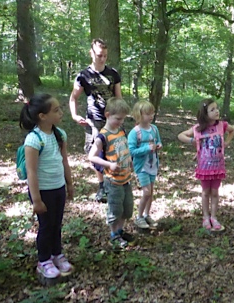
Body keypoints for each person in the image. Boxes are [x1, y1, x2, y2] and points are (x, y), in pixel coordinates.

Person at [19, 93, 74, 279]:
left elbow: (64, 161)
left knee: (56, 224)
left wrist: (70, 183)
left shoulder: (60, 135)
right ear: (42, 116)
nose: (61, 113)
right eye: (56, 110)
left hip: (58, 188)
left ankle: (57, 254)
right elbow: (32, 172)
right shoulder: (34, 140)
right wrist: (36, 200)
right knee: (46, 226)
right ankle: (44, 260)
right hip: (43, 191)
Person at [69, 38, 122, 203]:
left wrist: (121, 115)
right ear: (91, 53)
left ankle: (114, 182)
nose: (102, 58)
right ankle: (102, 186)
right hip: (93, 119)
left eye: (105, 55)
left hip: (111, 118)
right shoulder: (83, 75)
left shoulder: (113, 74)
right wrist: (74, 115)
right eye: (99, 55)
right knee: (94, 152)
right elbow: (74, 97)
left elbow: (118, 97)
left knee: (114, 150)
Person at [178, 99, 234, 231]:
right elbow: (181, 135)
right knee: (205, 192)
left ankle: (214, 217)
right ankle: (205, 217)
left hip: (218, 166)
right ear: (205, 113)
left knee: (215, 192)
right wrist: (192, 140)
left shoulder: (222, 125)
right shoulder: (198, 128)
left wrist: (226, 143)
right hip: (204, 167)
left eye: (217, 108)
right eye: (212, 109)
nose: (216, 111)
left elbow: (232, 131)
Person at [88, 97, 135, 249]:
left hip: (125, 178)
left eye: (123, 119)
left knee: (127, 208)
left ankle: (120, 231)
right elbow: (91, 156)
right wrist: (109, 164)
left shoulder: (121, 130)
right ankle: (114, 234)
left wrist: (130, 161)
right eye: (118, 118)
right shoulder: (102, 136)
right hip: (113, 180)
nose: (121, 122)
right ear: (107, 115)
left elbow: (123, 149)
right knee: (115, 208)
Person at [128, 101, 163, 229]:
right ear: (139, 115)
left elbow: (158, 141)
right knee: (146, 192)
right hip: (141, 166)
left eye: (152, 113)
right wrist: (147, 148)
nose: (151, 116)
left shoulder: (154, 129)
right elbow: (131, 151)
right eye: (147, 114)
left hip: (153, 164)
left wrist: (158, 145)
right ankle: (139, 217)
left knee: (151, 192)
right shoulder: (135, 132)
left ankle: (147, 214)